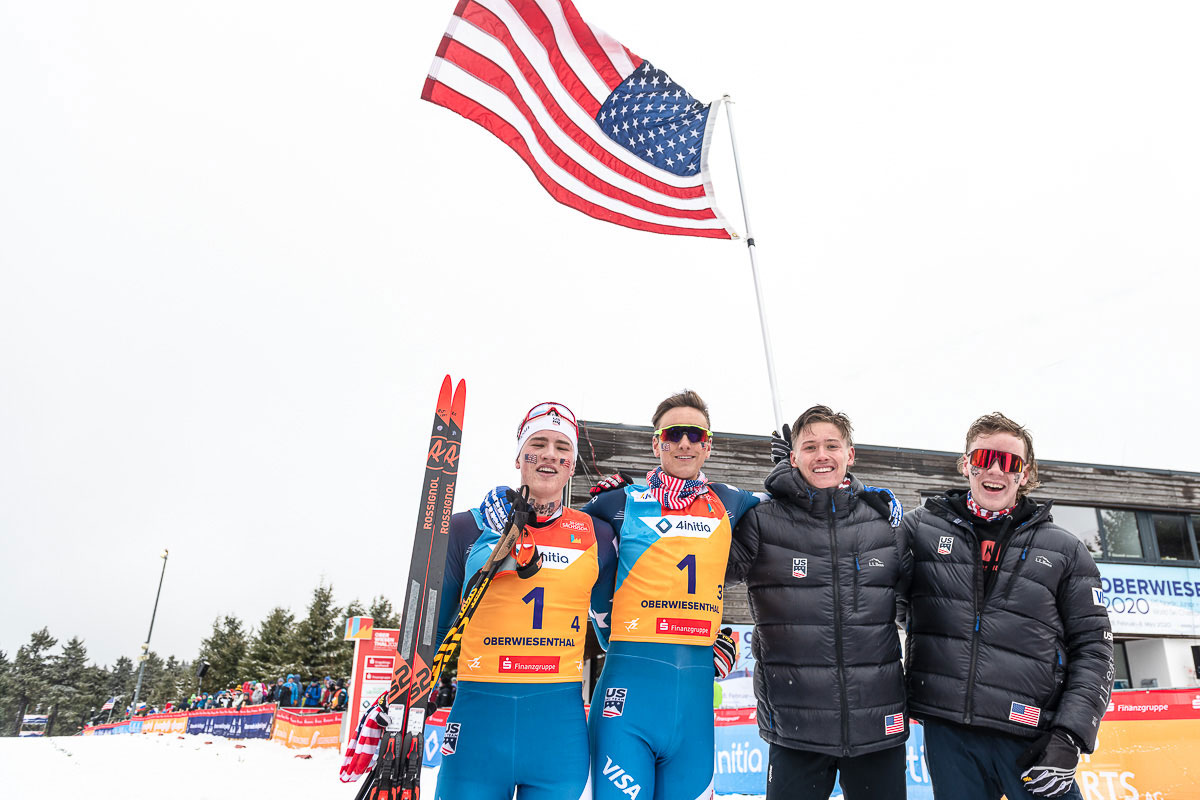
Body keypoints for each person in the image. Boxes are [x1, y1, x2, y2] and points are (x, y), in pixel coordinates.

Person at [903, 412, 1114, 800]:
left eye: (1010, 462)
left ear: (1025, 473)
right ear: (966, 464)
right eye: (984, 458)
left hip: (1031, 734)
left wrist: (1070, 735)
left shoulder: (1065, 550)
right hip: (949, 731)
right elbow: (864, 585)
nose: (995, 470)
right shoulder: (919, 530)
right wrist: (796, 487)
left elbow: (1094, 650)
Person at [580, 390, 762, 800]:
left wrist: (861, 490)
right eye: (672, 433)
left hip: (693, 713)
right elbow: (553, 531)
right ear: (655, 443)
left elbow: (797, 505)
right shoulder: (619, 502)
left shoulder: (729, 500)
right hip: (626, 704)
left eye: (695, 435)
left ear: (708, 446)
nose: (684, 443)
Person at [432, 400, 617, 800]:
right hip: (477, 733)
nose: (550, 454)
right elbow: (434, 630)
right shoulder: (468, 527)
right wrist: (403, 700)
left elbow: (613, 634)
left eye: (562, 448)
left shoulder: (599, 535)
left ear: (572, 465)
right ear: (519, 457)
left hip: (557, 738)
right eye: (538, 443)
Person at [726, 405, 909, 800]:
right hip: (796, 726)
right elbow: (708, 570)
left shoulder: (884, 524)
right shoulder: (762, 521)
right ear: (793, 458)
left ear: (850, 454)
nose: (822, 455)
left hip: (877, 724)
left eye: (832, 445)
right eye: (809, 447)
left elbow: (926, 606)